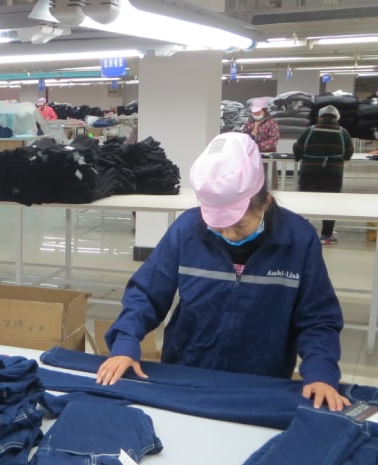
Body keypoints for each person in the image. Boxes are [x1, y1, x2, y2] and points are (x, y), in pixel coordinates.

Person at [96, 132, 348, 412]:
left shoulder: (298, 239)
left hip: (261, 381)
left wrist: (321, 371)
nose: (229, 234)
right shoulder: (187, 230)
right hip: (186, 373)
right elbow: (146, 294)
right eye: (217, 225)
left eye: (239, 225)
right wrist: (125, 342)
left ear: (265, 202)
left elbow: (317, 318)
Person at [293, 104, 354, 245]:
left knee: (305, 202)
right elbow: (348, 154)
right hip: (333, 174)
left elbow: (298, 149)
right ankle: (326, 235)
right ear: (336, 118)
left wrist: (299, 156)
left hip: (309, 172)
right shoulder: (343, 132)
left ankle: (303, 232)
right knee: (330, 203)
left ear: (320, 117)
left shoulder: (309, 131)